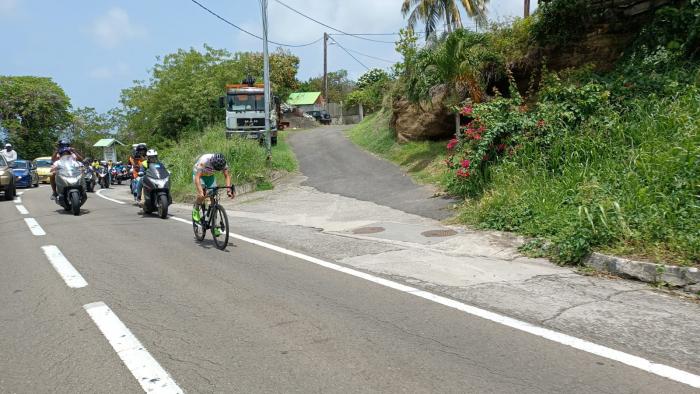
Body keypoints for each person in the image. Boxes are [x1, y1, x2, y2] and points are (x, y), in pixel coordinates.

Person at [192, 153, 234, 224]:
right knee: (203, 194)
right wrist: (200, 191)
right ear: (212, 162)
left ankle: (213, 224)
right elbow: (197, 177)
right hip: (199, 175)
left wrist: (228, 190)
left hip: (210, 176)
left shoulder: (223, 163)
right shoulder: (204, 160)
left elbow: (227, 176)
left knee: (213, 195)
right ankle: (196, 209)